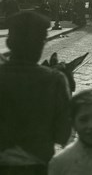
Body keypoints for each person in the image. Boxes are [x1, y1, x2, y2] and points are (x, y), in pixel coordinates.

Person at [0, 11, 72, 175]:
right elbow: (62, 135)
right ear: (41, 44)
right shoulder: (55, 80)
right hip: (37, 167)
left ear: (10, 42)